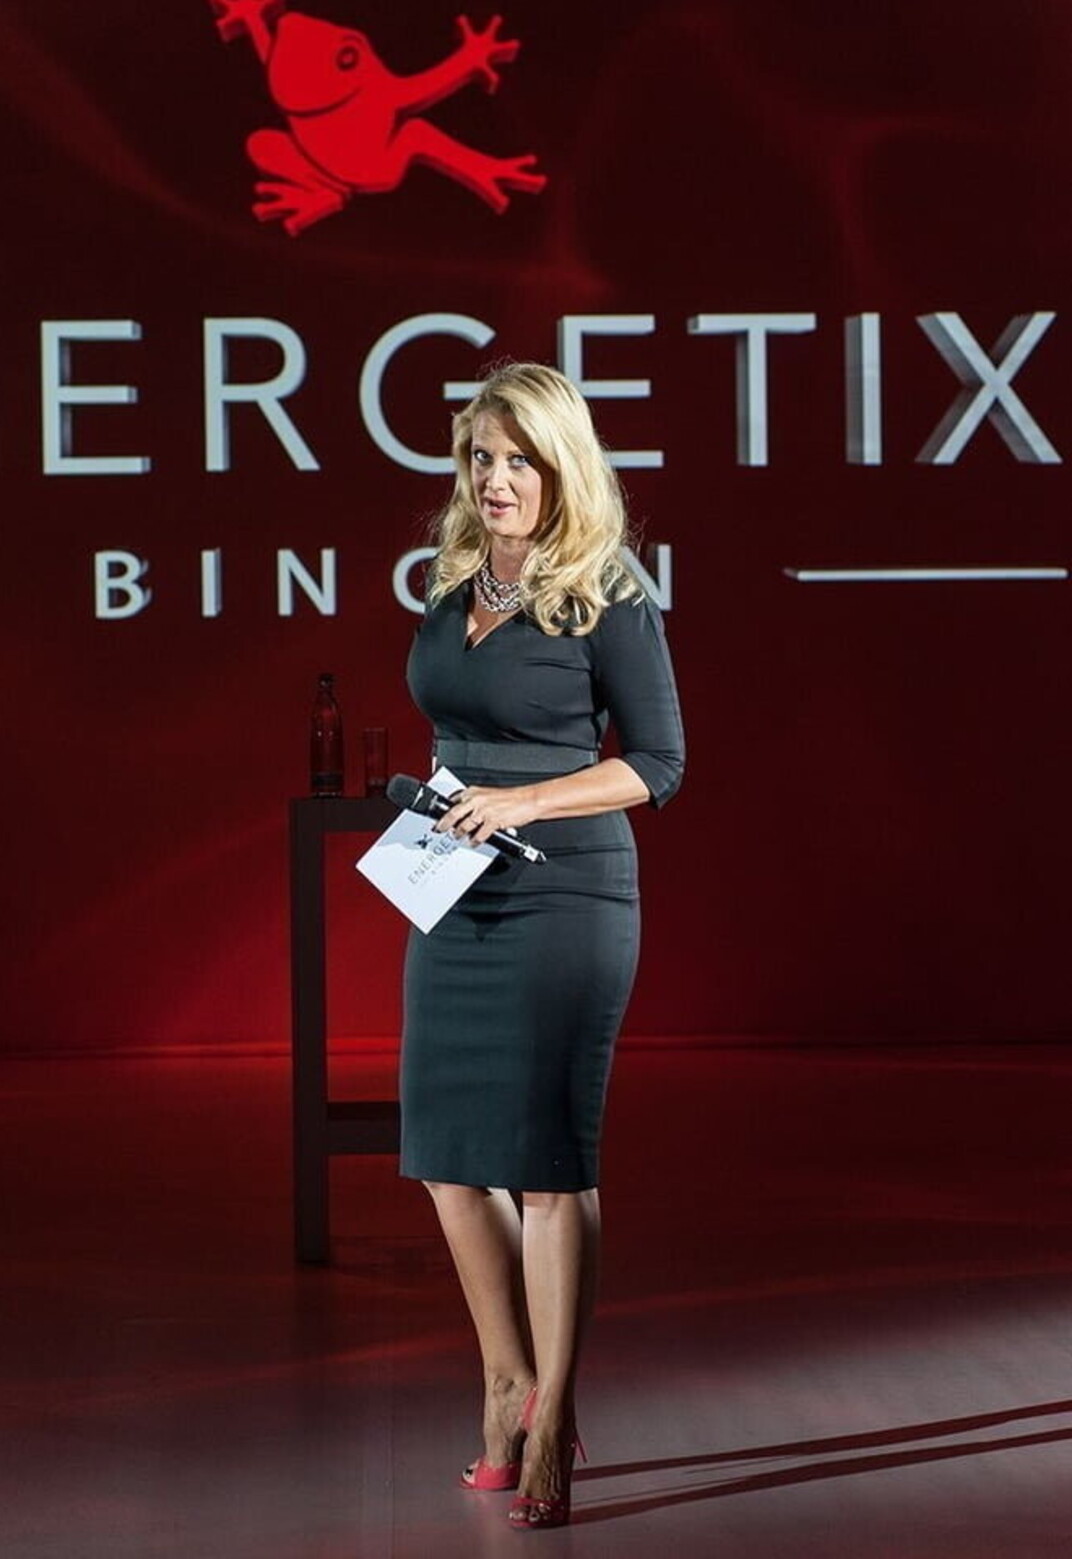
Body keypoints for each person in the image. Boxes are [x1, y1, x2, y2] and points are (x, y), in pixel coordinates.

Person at [400, 361, 684, 1529]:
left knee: (549, 1166)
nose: (498, 478)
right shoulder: (454, 577)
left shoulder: (607, 587)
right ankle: (505, 1380)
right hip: (457, 890)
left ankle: (554, 1417)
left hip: (567, 894)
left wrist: (522, 799)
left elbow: (658, 763)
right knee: (445, 1156)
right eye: (483, 456)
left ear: (564, 465)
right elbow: (457, 729)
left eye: (521, 458)